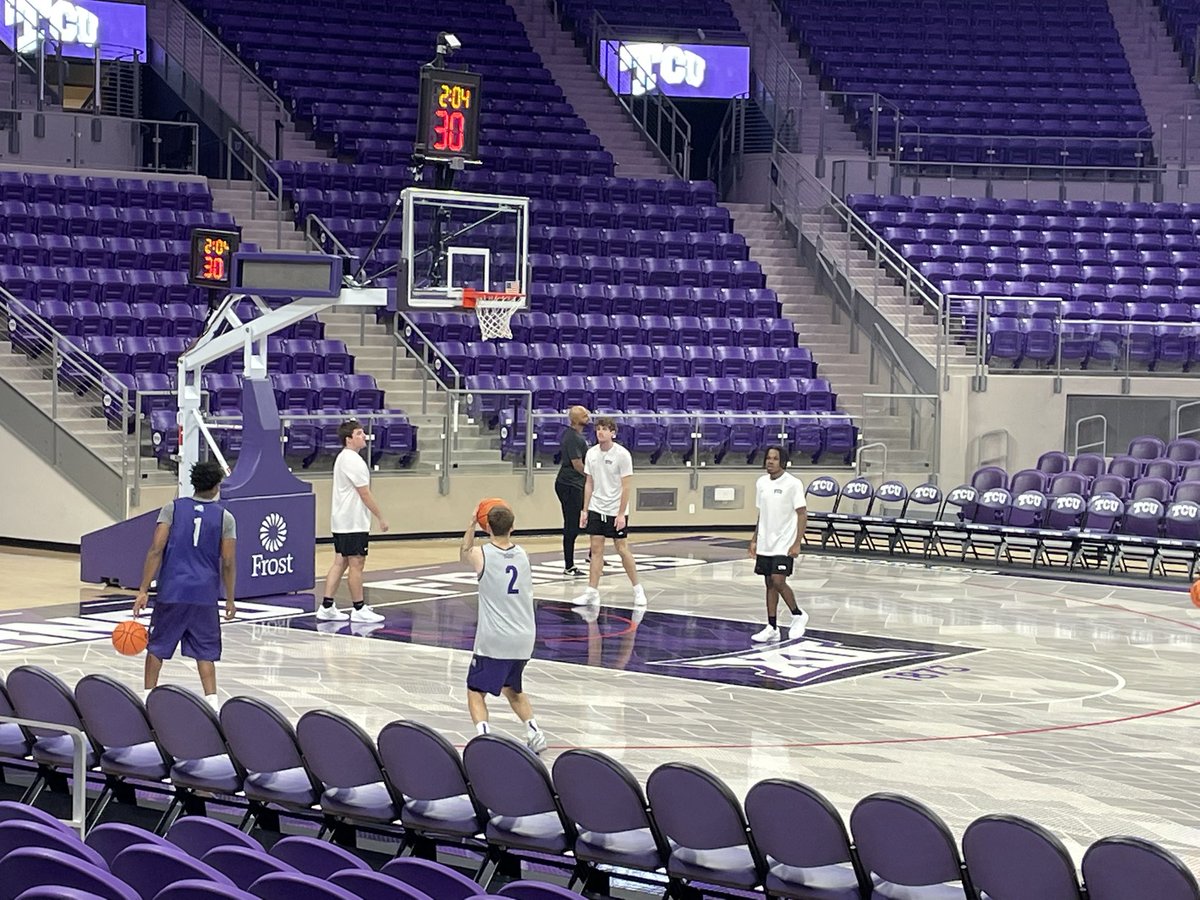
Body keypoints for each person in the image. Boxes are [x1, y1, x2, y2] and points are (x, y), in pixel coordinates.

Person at [132, 460, 237, 708]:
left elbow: (156, 549)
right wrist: (230, 598)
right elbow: (229, 562)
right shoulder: (225, 517)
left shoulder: (172, 509)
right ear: (217, 486)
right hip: (204, 594)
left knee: (157, 646)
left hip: (172, 591)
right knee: (206, 650)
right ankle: (212, 702)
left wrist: (143, 590)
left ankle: (148, 697)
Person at [460, 503, 546, 754]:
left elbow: (464, 551)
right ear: (513, 527)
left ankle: (484, 738)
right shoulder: (523, 554)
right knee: (513, 688)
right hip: (524, 637)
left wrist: (471, 524)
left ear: (487, 528)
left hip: (495, 638)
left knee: (475, 690)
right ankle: (534, 731)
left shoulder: (482, 554)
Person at [572, 417, 646, 607]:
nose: (601, 432)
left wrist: (621, 513)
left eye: (605, 429)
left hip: (615, 509)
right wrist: (585, 509)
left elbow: (627, 486)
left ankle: (638, 589)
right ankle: (592, 591)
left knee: (622, 548)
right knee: (596, 550)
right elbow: (589, 483)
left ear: (613, 433)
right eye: (598, 429)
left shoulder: (622, 455)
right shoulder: (591, 454)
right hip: (597, 507)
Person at [319, 420, 389, 623]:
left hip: (342, 520)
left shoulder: (345, 459)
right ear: (349, 439)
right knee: (357, 563)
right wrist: (380, 516)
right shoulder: (352, 460)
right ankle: (358, 608)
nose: (364, 436)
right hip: (352, 521)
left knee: (340, 561)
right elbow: (364, 493)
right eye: (359, 433)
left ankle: (327, 606)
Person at [748, 446, 809, 643]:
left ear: (782, 461)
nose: (770, 462)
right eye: (768, 458)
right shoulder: (761, 483)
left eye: (774, 458)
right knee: (769, 583)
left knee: (778, 580)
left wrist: (797, 543)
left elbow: (802, 514)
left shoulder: (793, 484)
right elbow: (762, 514)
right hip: (766, 541)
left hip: (784, 543)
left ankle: (798, 614)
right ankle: (772, 626)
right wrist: (755, 539)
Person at [555, 405, 590, 577]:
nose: (588, 416)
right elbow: (577, 464)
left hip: (576, 484)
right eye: (584, 414)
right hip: (569, 485)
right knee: (571, 524)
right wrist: (592, 477)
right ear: (575, 419)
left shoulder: (578, 436)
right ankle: (569, 565)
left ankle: (592, 554)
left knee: (582, 521)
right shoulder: (573, 438)